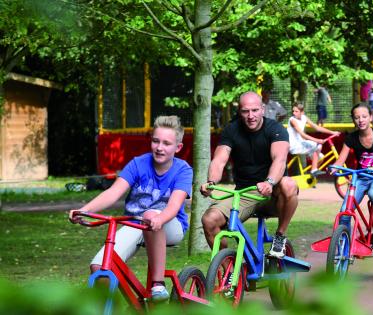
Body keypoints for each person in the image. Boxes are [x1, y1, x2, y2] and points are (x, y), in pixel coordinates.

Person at [68, 115, 192, 302]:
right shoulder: (138, 164)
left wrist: (159, 218)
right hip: (136, 225)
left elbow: (174, 206)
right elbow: (113, 193)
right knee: (100, 268)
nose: (159, 147)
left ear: (178, 147)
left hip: (170, 226)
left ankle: (158, 284)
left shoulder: (183, 170)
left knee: (151, 215)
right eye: (156, 141)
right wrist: (84, 210)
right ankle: (131, 304)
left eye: (166, 143)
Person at [200, 91, 298, 258]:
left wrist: (269, 182)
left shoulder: (275, 129)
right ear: (240, 112)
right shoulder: (231, 130)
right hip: (246, 193)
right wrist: (211, 182)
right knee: (209, 220)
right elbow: (219, 160)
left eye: (254, 110)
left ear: (262, 109)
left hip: (274, 192)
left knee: (289, 184)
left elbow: (279, 160)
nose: (250, 116)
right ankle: (228, 274)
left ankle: (280, 236)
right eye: (245, 111)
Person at [331, 103, 373, 237]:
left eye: (364, 116)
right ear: (353, 120)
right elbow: (340, 160)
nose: (360, 120)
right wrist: (334, 168)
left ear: (371, 118)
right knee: (345, 211)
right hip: (360, 178)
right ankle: (345, 243)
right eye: (357, 117)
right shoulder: (351, 138)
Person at [287, 102, 340, 177]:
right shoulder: (292, 120)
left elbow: (317, 127)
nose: (294, 113)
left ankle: (312, 173)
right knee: (317, 145)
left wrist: (332, 132)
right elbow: (303, 135)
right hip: (294, 145)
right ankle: (313, 170)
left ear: (302, 112)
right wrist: (317, 140)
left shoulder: (304, 117)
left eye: (296, 111)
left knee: (321, 157)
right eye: (293, 111)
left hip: (301, 143)